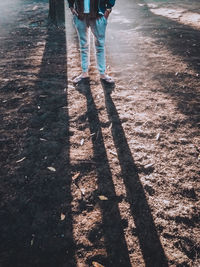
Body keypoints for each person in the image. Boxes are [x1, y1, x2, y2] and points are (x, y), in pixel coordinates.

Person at [67, 0, 116, 84]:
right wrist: (71, 6)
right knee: (83, 46)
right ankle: (84, 73)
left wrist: (108, 9)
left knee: (100, 45)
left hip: (98, 15)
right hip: (80, 15)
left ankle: (102, 74)